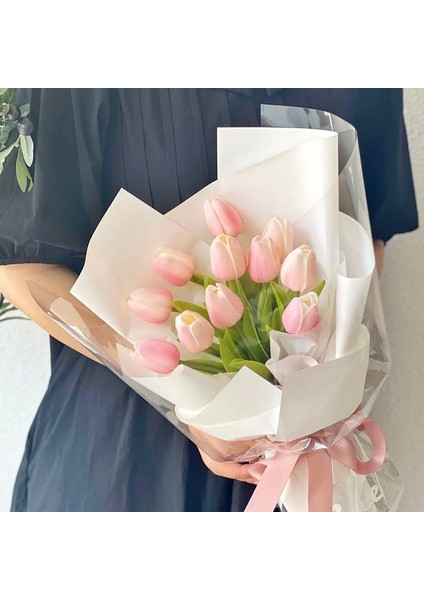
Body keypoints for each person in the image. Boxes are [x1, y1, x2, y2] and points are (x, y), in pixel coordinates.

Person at [0, 89, 418, 512]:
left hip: (304, 443)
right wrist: (187, 401)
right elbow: (19, 267)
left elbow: (365, 237)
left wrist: (321, 380)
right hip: (123, 451)